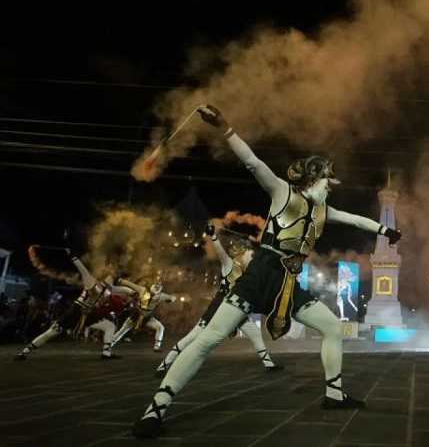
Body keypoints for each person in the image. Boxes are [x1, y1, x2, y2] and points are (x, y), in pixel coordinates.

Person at [132, 104, 403, 438]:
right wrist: (225, 126)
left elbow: (355, 219)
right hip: (260, 274)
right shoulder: (282, 193)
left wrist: (384, 231)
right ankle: (155, 408)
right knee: (207, 340)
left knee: (332, 328)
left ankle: (334, 394)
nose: (331, 186)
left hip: (288, 283)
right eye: (328, 180)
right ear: (314, 178)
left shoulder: (323, 209)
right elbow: (252, 162)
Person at [155, 223, 281, 378]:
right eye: (248, 251)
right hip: (218, 310)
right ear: (240, 252)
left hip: (237, 309)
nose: (251, 254)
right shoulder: (229, 265)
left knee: (254, 332)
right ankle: (164, 366)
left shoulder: (247, 270)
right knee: (192, 338)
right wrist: (213, 237)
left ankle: (268, 363)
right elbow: (221, 253)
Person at [14, 250, 130, 360]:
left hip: (89, 314)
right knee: (51, 332)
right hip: (76, 311)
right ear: (104, 277)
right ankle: (24, 352)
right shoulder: (92, 282)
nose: (112, 276)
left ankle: (106, 353)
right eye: (110, 275)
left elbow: (121, 289)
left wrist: (132, 292)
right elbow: (82, 269)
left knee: (109, 326)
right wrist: (73, 256)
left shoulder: (107, 290)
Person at [110, 279, 177, 352]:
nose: (157, 287)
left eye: (159, 286)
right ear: (152, 285)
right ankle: (108, 346)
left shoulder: (161, 295)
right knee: (122, 331)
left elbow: (172, 297)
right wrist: (121, 281)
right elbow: (132, 285)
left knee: (160, 327)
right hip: (136, 316)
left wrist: (172, 299)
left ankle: (157, 347)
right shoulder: (142, 290)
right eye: (156, 285)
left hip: (147, 318)